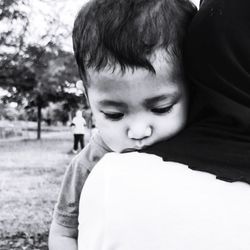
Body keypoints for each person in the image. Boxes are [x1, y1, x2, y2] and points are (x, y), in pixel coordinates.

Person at [48, 0, 196, 249]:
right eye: (114, 114)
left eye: (160, 109)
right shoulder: (88, 164)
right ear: (89, 99)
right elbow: (63, 232)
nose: (138, 132)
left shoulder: (204, 146)